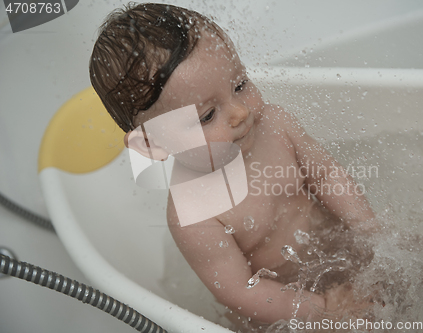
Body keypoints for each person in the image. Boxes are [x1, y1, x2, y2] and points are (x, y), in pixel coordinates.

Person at [89, 2, 376, 325]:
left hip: (344, 252)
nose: (240, 112)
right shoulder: (193, 212)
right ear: (152, 144)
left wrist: (371, 233)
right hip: (287, 304)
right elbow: (241, 292)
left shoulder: (276, 125)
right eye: (208, 115)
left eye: (239, 85)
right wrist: (323, 310)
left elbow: (326, 176)